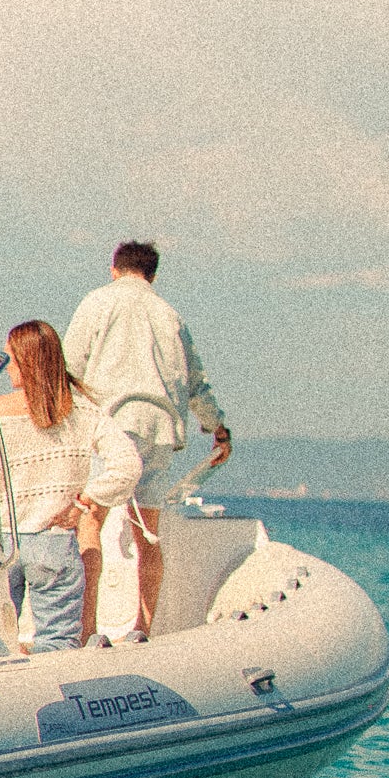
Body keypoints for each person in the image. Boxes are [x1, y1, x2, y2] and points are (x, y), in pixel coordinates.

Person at [62, 241, 232, 633]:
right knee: (148, 533)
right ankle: (144, 627)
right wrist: (218, 429)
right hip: (160, 428)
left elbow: (69, 368)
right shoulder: (170, 315)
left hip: (112, 426)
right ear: (153, 275)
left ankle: (87, 628)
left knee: (92, 521)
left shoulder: (97, 302)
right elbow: (197, 386)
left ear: (113, 269)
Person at [0, 319, 142, 654]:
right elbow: (128, 467)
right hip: (53, 543)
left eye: (11, 360)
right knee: (58, 648)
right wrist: (84, 502)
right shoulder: (85, 412)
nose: (7, 369)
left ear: (26, 362)